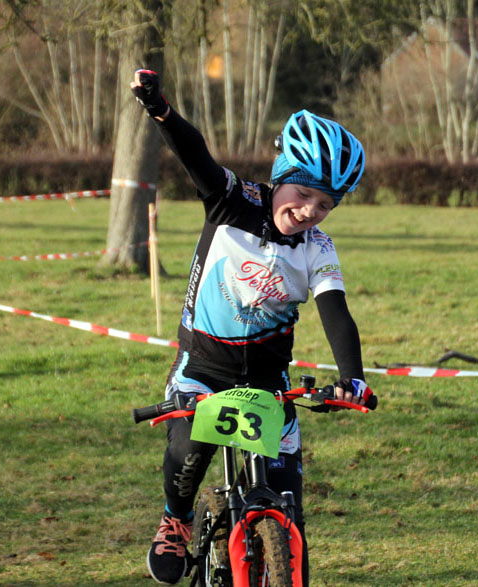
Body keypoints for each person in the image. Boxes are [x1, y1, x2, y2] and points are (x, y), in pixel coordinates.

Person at [131, 69, 376, 586]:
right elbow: (196, 154)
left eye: (325, 205)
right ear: (283, 172)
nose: (309, 211)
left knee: (289, 500)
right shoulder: (231, 200)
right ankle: (175, 520)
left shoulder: (319, 249)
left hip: (268, 381)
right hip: (202, 368)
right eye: (304, 193)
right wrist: (161, 111)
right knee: (190, 448)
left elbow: (336, 312)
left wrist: (353, 378)